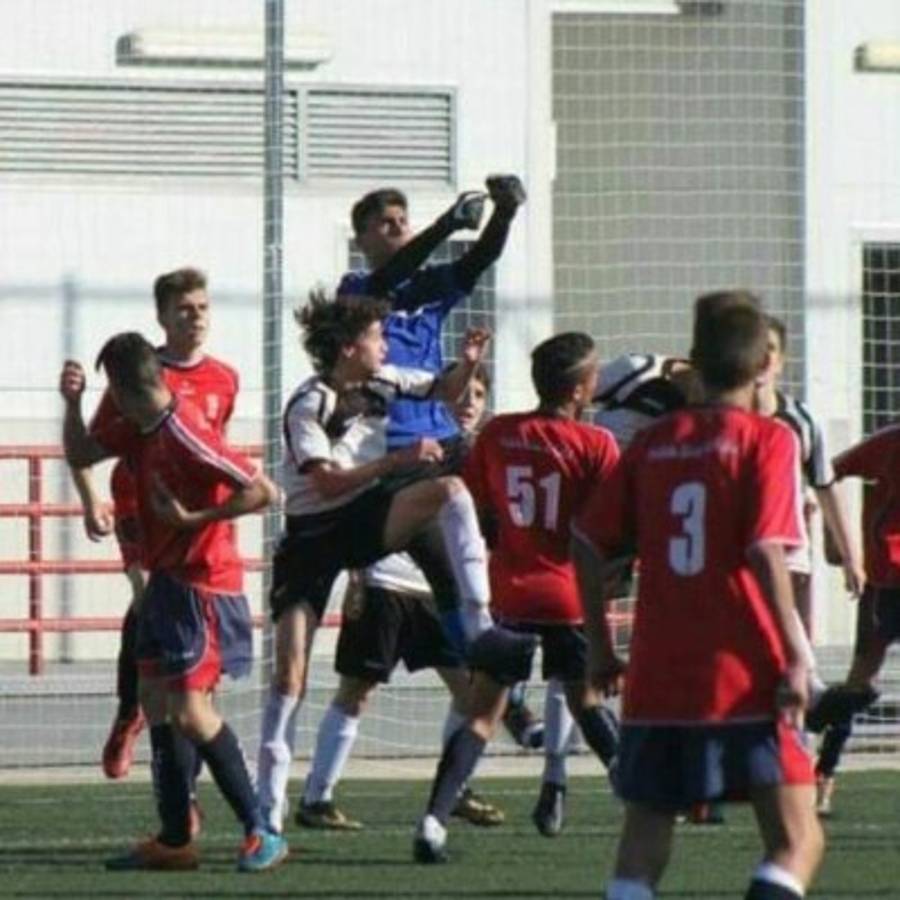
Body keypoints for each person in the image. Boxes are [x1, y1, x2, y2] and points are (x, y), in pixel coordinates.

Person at [256, 293, 535, 836]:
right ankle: (267, 813)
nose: (385, 344)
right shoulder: (309, 403)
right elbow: (325, 483)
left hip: (363, 519)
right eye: (377, 336)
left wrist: (468, 363)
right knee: (289, 674)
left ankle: (479, 626)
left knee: (450, 490)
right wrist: (397, 460)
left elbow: (443, 389)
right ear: (348, 347)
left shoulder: (383, 380)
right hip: (312, 539)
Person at [574, 297, 824, 900]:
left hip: (657, 674)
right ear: (765, 365)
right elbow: (765, 550)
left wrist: (600, 649)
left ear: (695, 363)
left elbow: (584, 541)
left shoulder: (653, 442)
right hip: (744, 672)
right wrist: (796, 656)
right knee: (797, 839)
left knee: (642, 844)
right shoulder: (769, 440)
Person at [59, 333, 286, 872]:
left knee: (189, 711)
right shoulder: (140, 428)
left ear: (121, 390)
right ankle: (175, 838)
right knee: (155, 701)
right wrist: (71, 404)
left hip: (202, 585)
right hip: (165, 582)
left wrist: (193, 520)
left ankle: (263, 829)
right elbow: (83, 453)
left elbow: (263, 491)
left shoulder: (185, 431)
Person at [413, 332, 621, 862]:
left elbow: (474, 507)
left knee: (482, 715)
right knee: (587, 703)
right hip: (569, 596)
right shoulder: (597, 444)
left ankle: (433, 823)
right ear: (579, 390)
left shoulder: (500, 433)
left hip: (511, 594)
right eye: (593, 376)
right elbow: (609, 528)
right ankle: (639, 791)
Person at [295, 362, 507, 832]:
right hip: (387, 581)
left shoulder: (481, 456)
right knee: (358, 690)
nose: (468, 402)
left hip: (442, 595)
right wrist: (358, 574)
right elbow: (369, 507)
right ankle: (317, 797)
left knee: (472, 690)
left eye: (477, 394)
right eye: (461, 392)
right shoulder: (412, 447)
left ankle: (455, 788)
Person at [70, 267, 239, 784]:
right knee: (147, 599)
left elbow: (216, 450)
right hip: (138, 509)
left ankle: (188, 741)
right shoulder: (138, 375)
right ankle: (130, 712)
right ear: (162, 317)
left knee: (191, 630)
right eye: (184, 309)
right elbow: (87, 445)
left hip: (192, 523)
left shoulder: (225, 378)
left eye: (202, 307)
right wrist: (91, 498)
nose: (196, 317)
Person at [806, 425, 900, 816]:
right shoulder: (891, 443)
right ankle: (822, 775)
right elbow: (828, 471)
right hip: (887, 583)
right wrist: (837, 540)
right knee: (860, 686)